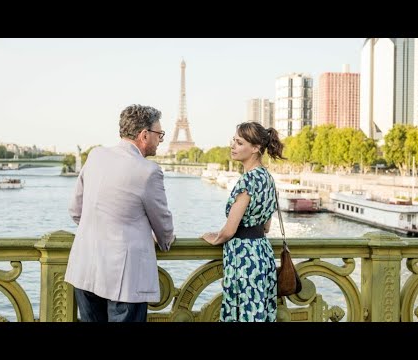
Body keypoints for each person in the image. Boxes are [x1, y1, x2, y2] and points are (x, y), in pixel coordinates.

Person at [65, 104, 176, 322]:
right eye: (159, 134)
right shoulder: (148, 171)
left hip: (85, 266)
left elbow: (75, 210)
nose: (160, 140)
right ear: (144, 135)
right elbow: (163, 224)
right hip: (124, 279)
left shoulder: (95, 156)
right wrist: (165, 241)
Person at [201, 121, 285, 322]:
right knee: (258, 312)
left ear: (255, 148)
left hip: (244, 258)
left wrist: (213, 237)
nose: (232, 146)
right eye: (234, 141)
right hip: (263, 254)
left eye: (239, 143)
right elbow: (265, 226)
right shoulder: (267, 178)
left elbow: (230, 230)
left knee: (242, 312)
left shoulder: (247, 181)